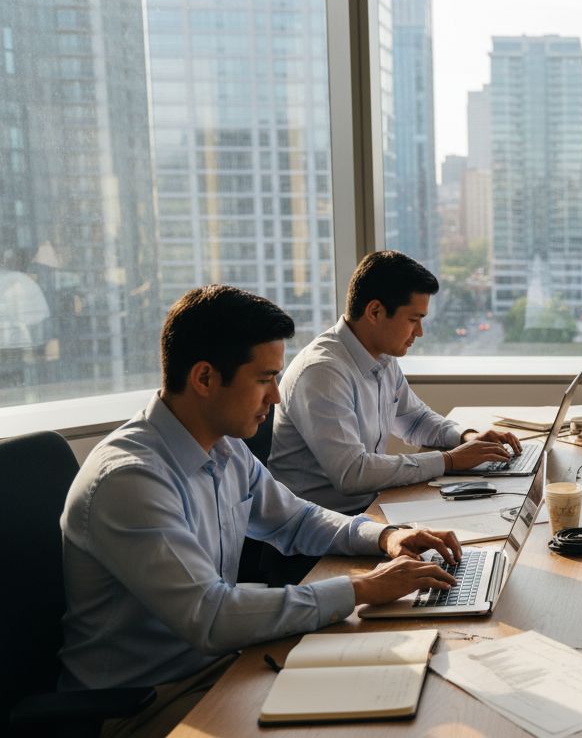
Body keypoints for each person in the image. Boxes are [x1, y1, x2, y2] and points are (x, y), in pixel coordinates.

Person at [61, 285, 461, 737]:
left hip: (222, 664)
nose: (276, 397)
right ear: (205, 378)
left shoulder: (224, 446)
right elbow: (211, 615)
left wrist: (385, 537)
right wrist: (362, 588)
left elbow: (296, 519)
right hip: (146, 704)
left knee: (403, 684)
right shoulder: (130, 479)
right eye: (264, 379)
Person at [270, 250, 520, 516]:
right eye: (413, 320)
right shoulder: (323, 372)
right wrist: (449, 460)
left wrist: (465, 437)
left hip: (368, 507)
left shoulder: (382, 356)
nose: (419, 332)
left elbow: (415, 420)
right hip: (321, 526)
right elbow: (353, 474)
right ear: (375, 311)